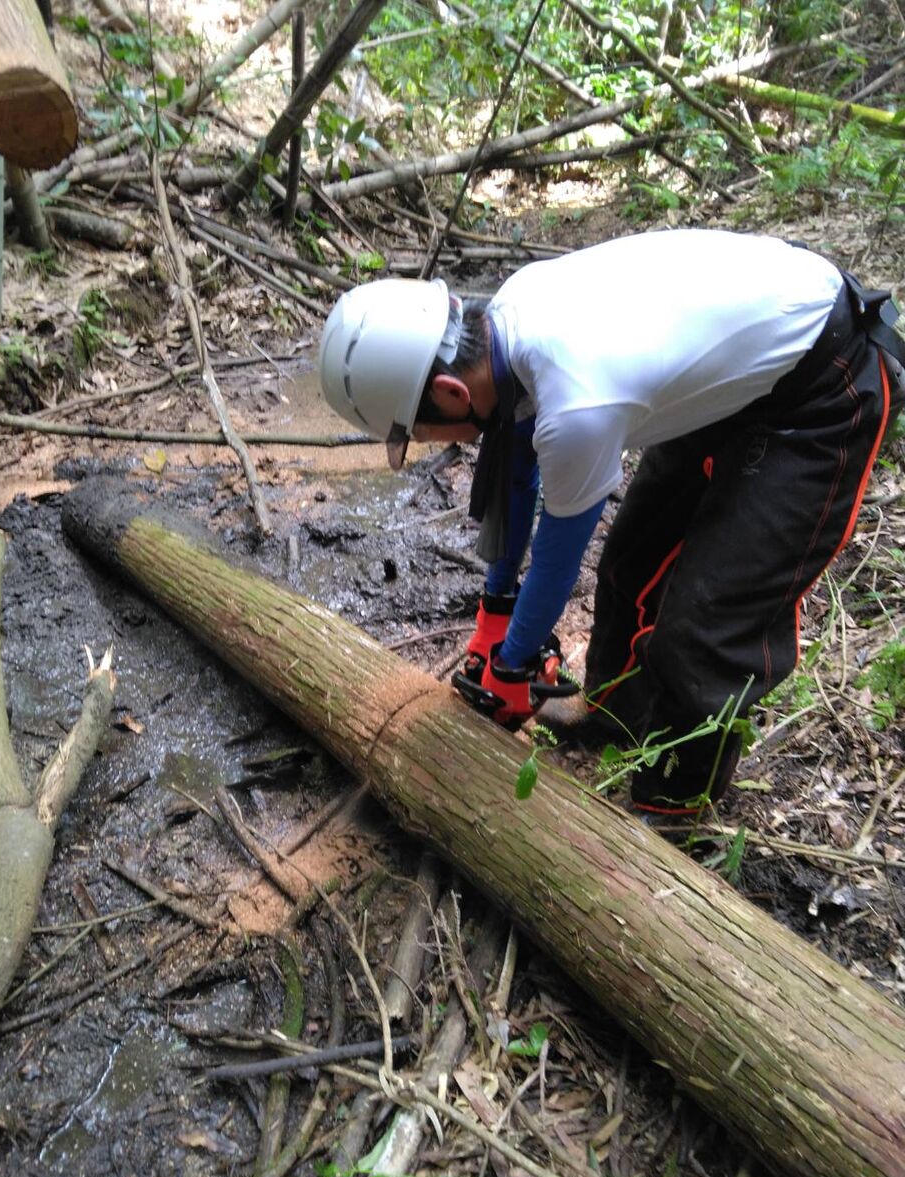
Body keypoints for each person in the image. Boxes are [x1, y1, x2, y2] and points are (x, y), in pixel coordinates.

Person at [318, 229, 904, 818]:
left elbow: (556, 561)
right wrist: (496, 610)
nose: (424, 441)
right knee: (631, 564)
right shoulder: (505, 326)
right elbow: (513, 478)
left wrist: (513, 663)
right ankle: (616, 712)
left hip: (821, 383)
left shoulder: (576, 404)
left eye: (416, 431)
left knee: (706, 625)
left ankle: (670, 809)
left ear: (450, 392)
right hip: (736, 372)